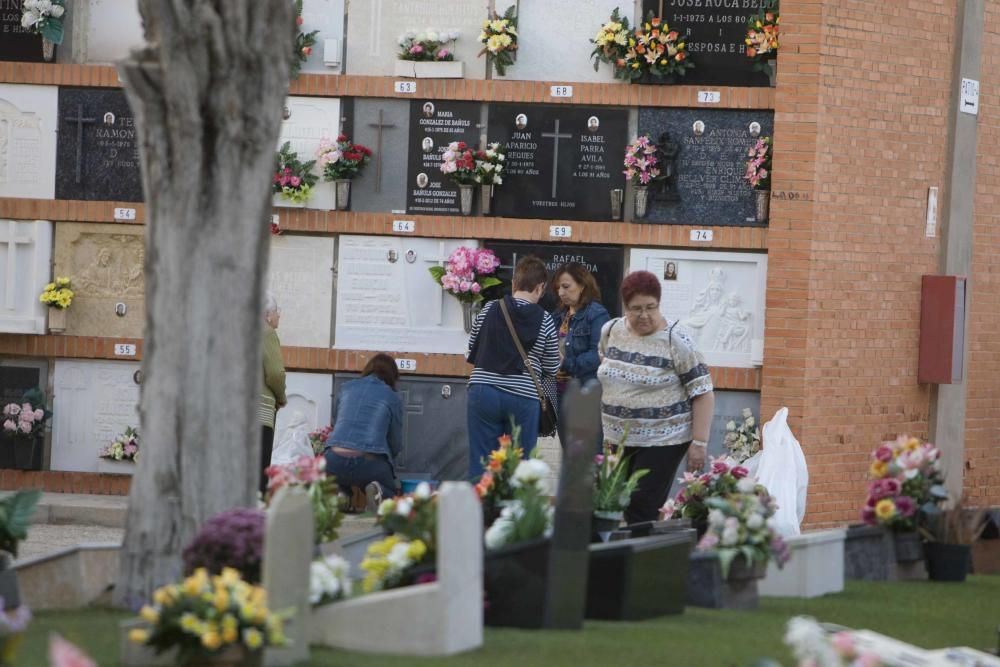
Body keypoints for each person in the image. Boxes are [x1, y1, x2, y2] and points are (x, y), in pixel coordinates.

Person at [597, 271, 715, 524]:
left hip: (662, 439)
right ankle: (611, 559)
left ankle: (638, 559)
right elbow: (608, 367)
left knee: (641, 506)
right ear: (624, 307)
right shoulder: (611, 331)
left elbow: (703, 391)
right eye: (635, 308)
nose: (644, 315)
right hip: (616, 436)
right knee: (606, 501)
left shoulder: (676, 338)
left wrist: (700, 443)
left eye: (651, 307)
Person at [467, 256, 560, 478]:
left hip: (483, 392)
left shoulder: (489, 308)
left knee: (483, 462)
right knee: (520, 467)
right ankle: (513, 511)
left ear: (513, 284)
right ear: (540, 288)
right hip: (523, 397)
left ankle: (482, 511)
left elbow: (471, 349)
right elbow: (551, 367)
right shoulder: (546, 319)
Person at [324, 353, 403, 511]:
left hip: (332, 461)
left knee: (341, 472)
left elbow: (336, 423)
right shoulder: (392, 397)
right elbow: (395, 444)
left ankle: (341, 494)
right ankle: (378, 490)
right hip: (370, 463)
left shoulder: (346, 388)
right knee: (390, 489)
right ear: (392, 375)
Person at [551, 262, 610, 407]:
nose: (560, 293)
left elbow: (598, 354)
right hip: (554, 390)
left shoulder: (597, 314)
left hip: (582, 392)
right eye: (558, 288)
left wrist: (566, 363)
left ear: (582, 286)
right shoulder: (558, 314)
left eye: (566, 287)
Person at [259, 292, 287, 494]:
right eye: (277, 311)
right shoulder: (267, 332)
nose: (279, 315)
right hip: (259, 412)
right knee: (259, 468)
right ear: (267, 315)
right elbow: (276, 373)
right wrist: (281, 397)